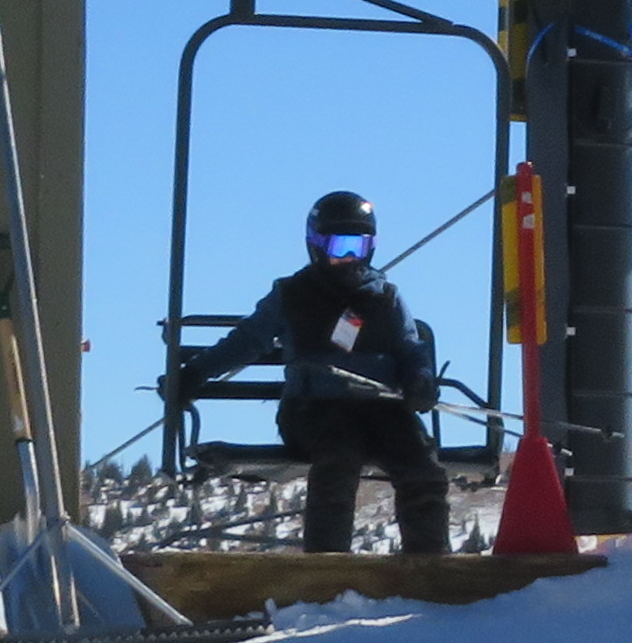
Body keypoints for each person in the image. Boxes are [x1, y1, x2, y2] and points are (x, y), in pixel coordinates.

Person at [166, 189, 454, 554]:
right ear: (316, 245)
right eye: (339, 246)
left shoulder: (385, 297)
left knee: (421, 464)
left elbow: (411, 348)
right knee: (339, 456)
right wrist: (194, 374)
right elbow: (248, 340)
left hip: (381, 408)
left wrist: (420, 380)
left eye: (358, 246)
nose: (349, 257)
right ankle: (327, 561)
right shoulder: (293, 295)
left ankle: (431, 562)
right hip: (314, 409)